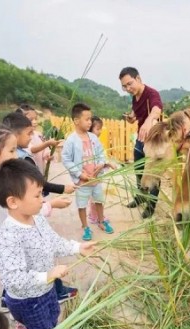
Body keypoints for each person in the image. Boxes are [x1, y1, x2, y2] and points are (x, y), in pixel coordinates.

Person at [0, 159, 95, 329]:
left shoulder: (36, 218)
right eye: (37, 195)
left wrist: (77, 246)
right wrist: (47, 275)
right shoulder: (9, 237)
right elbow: (13, 279)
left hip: (44, 290)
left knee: (51, 318)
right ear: (13, 201)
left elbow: (53, 241)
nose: (42, 199)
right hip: (28, 299)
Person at [0, 123, 73, 329]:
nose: (16, 156)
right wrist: (49, 205)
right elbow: (21, 212)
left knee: (30, 274)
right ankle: (25, 324)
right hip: (5, 239)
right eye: (11, 151)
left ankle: (33, 313)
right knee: (19, 281)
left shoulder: (1, 180)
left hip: (17, 236)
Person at [62, 104, 114, 241]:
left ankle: (101, 221)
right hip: (83, 181)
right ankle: (85, 227)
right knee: (82, 205)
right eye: (87, 119)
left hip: (95, 179)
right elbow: (66, 159)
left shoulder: (93, 138)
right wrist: (80, 174)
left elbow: (101, 153)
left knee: (99, 201)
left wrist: (101, 163)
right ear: (76, 120)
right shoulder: (71, 140)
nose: (90, 122)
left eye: (90, 119)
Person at [119, 67, 163, 218]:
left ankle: (151, 206)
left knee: (152, 173)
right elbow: (135, 113)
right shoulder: (134, 97)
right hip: (140, 140)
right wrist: (132, 118)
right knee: (138, 171)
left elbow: (156, 110)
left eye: (129, 84)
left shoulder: (152, 94)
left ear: (138, 78)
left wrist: (149, 120)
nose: (127, 88)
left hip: (153, 142)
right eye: (124, 86)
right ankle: (140, 196)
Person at [15, 105, 60, 175]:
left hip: (41, 172)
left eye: (36, 119)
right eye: (31, 120)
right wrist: (48, 143)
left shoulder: (39, 134)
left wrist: (47, 155)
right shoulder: (21, 138)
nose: (35, 122)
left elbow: (45, 150)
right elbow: (31, 149)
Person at [87, 116, 115, 225]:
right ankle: (97, 217)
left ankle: (92, 215)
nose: (100, 132)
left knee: (94, 197)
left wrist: (106, 163)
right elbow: (93, 160)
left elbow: (101, 158)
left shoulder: (95, 142)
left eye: (100, 129)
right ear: (90, 129)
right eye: (97, 129)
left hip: (96, 175)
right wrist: (105, 164)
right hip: (92, 175)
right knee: (97, 198)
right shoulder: (90, 144)